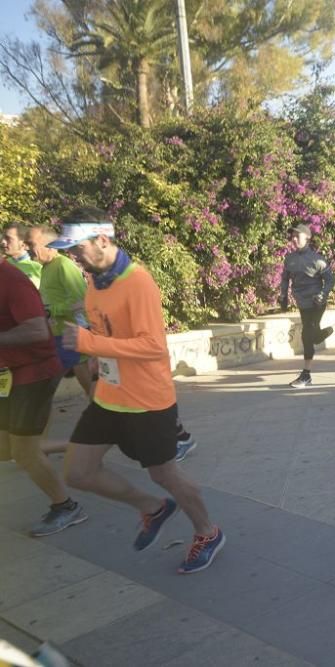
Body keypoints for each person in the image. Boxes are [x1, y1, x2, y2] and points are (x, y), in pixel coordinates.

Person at [51, 208, 224, 574]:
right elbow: (108, 335)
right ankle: (152, 507)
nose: (73, 256)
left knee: (166, 475)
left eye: (77, 247)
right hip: (109, 398)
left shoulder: (138, 282)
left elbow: (152, 347)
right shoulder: (95, 283)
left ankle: (208, 532)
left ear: (102, 240)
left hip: (147, 401)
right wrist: (96, 356)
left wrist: (91, 344)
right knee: (78, 473)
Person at [0, 260, 87, 537]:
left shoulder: (11, 280)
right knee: (5, 449)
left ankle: (66, 506)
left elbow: (38, 330)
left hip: (33, 375)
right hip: (7, 376)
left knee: (24, 451)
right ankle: (81, 445)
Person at [25, 225, 92, 396]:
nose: (28, 249)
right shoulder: (45, 268)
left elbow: (82, 300)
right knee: (44, 392)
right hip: (56, 335)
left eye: (31, 244)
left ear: (49, 245)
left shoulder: (64, 265)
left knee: (89, 389)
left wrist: (51, 311)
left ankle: (102, 415)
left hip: (71, 334)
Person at [280, 224, 335, 388]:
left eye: (298, 236)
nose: (294, 239)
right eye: (293, 236)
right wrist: (283, 296)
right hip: (302, 304)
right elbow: (285, 279)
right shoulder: (289, 259)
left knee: (306, 336)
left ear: (307, 238)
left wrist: (323, 294)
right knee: (315, 337)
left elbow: (331, 280)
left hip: (317, 304)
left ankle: (306, 375)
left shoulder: (318, 259)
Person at [2, 222, 43, 287]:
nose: (3, 242)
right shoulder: (3, 265)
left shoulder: (38, 268)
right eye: (3, 237)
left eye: (8, 238)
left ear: (24, 244)